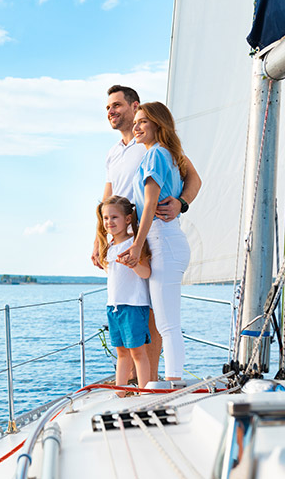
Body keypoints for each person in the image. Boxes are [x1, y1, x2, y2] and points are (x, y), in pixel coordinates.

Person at [93, 85, 201, 380]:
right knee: (129, 306)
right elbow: (107, 199)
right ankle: (134, 382)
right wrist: (99, 239)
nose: (111, 111)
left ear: (134, 106)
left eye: (116, 105)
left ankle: (151, 381)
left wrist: (181, 203)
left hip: (149, 237)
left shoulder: (155, 148)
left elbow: (193, 178)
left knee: (153, 313)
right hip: (122, 239)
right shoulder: (114, 154)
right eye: (107, 107)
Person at [118, 101, 192, 381]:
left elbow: (149, 204)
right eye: (135, 122)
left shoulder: (156, 154)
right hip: (166, 241)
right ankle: (170, 380)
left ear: (158, 124)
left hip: (163, 241)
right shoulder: (168, 155)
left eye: (143, 122)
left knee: (167, 325)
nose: (136, 127)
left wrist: (136, 245)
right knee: (165, 322)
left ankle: (173, 382)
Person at [96, 195, 153, 392]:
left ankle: (144, 393)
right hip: (114, 307)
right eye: (105, 218)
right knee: (121, 353)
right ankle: (120, 392)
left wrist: (133, 264)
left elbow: (146, 273)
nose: (109, 222)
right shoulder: (110, 247)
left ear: (127, 219)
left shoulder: (134, 244)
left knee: (138, 353)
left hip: (133, 306)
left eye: (114, 217)